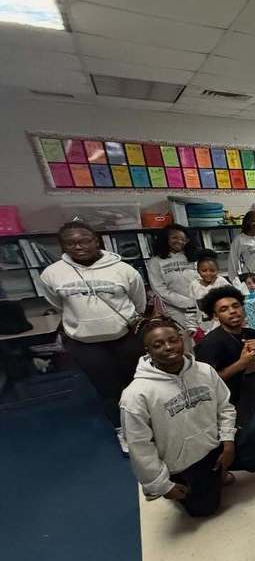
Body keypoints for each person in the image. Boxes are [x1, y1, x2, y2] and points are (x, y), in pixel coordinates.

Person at [120, 319, 240, 517]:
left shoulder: (204, 370)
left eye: (173, 340)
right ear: (147, 350)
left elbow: (225, 407)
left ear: (182, 340)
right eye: (158, 345)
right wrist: (162, 485)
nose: (168, 347)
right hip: (181, 462)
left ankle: (216, 474)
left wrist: (228, 443)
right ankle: (193, 482)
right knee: (204, 509)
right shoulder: (136, 395)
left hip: (213, 445)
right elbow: (139, 446)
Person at [39, 221, 146, 429]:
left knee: (137, 382)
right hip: (84, 343)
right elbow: (56, 302)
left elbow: (138, 302)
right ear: (62, 246)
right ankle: (122, 428)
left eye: (84, 241)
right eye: (70, 243)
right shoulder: (52, 273)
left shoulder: (123, 269)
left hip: (125, 337)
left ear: (96, 241)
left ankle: (147, 423)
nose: (78, 247)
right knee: (107, 388)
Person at [195, 285, 255, 469]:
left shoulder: (251, 334)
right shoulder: (210, 343)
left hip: (244, 392)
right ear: (216, 316)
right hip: (220, 405)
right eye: (224, 309)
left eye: (235, 306)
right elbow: (206, 386)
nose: (232, 311)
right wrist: (242, 362)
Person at [147, 224, 199, 328]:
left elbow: (203, 279)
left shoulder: (194, 257)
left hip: (199, 305)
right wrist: (187, 303)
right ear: (165, 239)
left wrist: (199, 301)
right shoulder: (155, 261)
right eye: (174, 237)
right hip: (175, 310)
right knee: (186, 338)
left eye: (183, 239)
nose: (179, 241)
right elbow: (160, 289)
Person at [189, 250, 230, 336]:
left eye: (212, 270)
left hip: (224, 325)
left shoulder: (221, 282)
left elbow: (233, 299)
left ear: (218, 270)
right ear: (198, 271)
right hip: (204, 327)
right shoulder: (194, 285)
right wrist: (191, 326)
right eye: (204, 270)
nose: (208, 273)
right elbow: (191, 307)